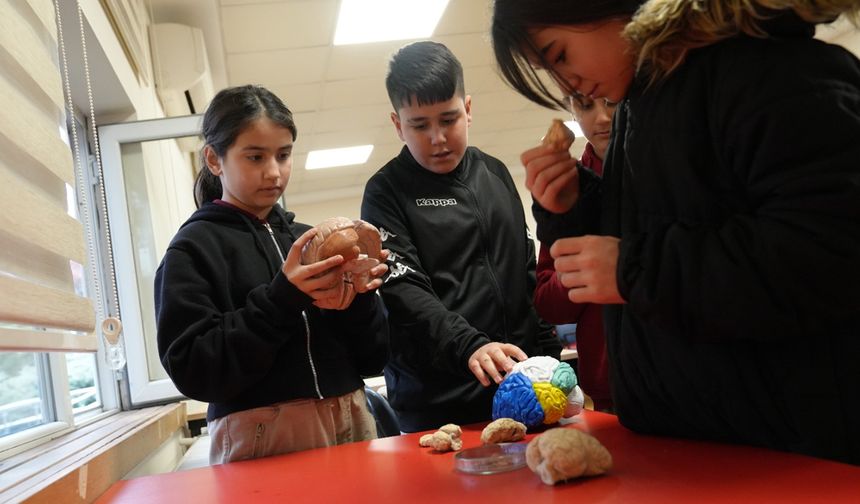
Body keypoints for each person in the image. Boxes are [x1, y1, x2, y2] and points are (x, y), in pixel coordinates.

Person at [490, 0, 860, 464]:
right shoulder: (645, 102)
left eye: (559, 54)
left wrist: (635, 269)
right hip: (689, 441)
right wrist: (574, 203)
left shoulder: (773, 72)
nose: (566, 83)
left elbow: (827, 256)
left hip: (788, 449)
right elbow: (672, 221)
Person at [154, 85, 390, 464]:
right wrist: (282, 298)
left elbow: (373, 358)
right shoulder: (193, 249)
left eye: (283, 155)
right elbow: (194, 371)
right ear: (214, 159)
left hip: (351, 414)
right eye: (255, 157)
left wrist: (361, 298)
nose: (273, 172)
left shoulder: (309, 239)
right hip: (259, 432)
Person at [361, 41, 562, 432]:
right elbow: (405, 293)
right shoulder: (384, 192)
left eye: (448, 119)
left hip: (525, 390)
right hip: (438, 406)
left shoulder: (497, 174)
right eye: (420, 125)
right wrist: (470, 345)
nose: (437, 138)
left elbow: (525, 275)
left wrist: (549, 357)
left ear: (467, 110)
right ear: (397, 124)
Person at [533, 96, 616, 412]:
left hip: (684, 373)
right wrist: (582, 269)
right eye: (585, 105)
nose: (603, 118)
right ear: (570, 107)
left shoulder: (668, 171)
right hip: (609, 384)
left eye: (612, 102)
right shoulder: (565, 189)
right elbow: (548, 304)